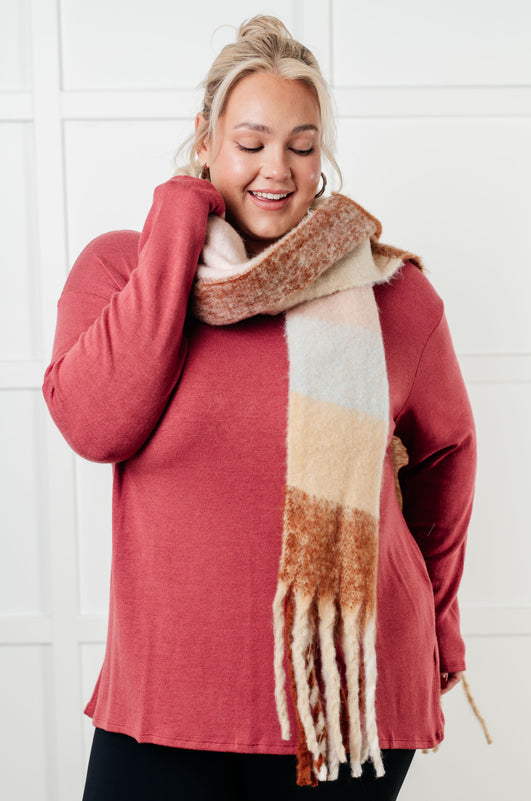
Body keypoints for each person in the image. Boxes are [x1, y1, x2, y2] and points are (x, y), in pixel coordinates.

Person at [42, 15, 476, 801]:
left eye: (301, 147)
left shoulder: (392, 294)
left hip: (347, 703)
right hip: (168, 695)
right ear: (204, 138)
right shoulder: (123, 271)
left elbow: (445, 457)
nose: (277, 169)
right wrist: (178, 219)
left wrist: (440, 625)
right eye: (251, 142)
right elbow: (97, 423)